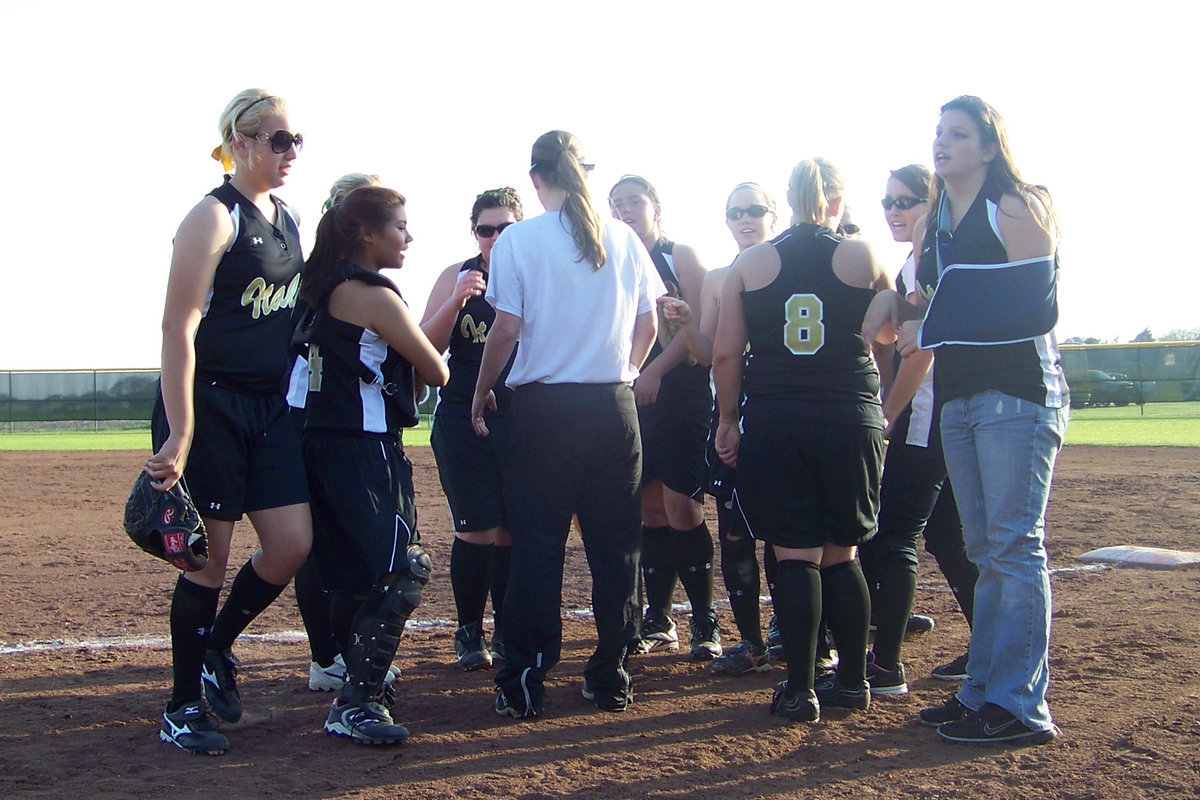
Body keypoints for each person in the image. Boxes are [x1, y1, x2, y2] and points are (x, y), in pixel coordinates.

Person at [866, 96, 1067, 745]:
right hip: (958, 397)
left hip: (1017, 393)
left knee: (1013, 546)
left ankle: (1020, 706)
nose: (942, 142)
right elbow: (921, 307)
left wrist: (931, 323)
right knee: (983, 548)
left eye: (957, 133)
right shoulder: (934, 223)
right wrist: (891, 304)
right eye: (938, 132)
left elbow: (1037, 306)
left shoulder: (1016, 205)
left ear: (988, 146)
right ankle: (981, 691)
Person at [470, 130, 663, 718]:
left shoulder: (519, 240)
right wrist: (625, 372)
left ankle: (525, 679)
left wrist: (480, 393)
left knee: (537, 546)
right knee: (616, 547)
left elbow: (506, 329)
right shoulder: (623, 236)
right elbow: (649, 326)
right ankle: (611, 674)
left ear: (535, 178)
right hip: (613, 408)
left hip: (546, 412)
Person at [145, 89, 312, 755]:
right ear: (239, 144)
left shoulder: (288, 217)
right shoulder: (213, 217)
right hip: (209, 404)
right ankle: (182, 705)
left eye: (296, 140)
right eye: (278, 139)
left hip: (267, 407)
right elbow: (177, 328)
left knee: (291, 544)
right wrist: (180, 430)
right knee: (205, 564)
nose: (291, 151)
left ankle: (216, 646)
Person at [713, 158, 892, 723]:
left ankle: (800, 688)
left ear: (786, 203)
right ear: (836, 201)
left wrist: (727, 419)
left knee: (795, 555)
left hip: (777, 418)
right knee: (843, 554)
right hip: (850, 415)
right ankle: (854, 682)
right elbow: (893, 333)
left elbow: (725, 354)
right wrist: (883, 405)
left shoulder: (752, 262)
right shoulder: (864, 255)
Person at [295, 185, 449, 745]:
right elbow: (436, 371)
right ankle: (357, 700)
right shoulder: (372, 296)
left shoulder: (318, 284)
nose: (408, 237)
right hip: (365, 447)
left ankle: (355, 684)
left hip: (319, 443)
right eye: (399, 226)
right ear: (366, 233)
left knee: (353, 577)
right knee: (403, 569)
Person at [861, 164, 978, 697]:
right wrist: (891, 300)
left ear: (933, 204)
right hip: (942, 412)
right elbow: (895, 333)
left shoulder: (933, 256)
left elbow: (922, 351)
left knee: (895, 533)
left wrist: (888, 413)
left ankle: (886, 665)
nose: (893, 211)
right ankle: (989, 644)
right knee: (948, 535)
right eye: (888, 202)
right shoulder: (916, 262)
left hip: (928, 414)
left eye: (905, 201)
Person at [659, 182, 780, 675]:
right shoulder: (717, 278)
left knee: (787, 533)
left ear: (773, 215)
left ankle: (793, 630)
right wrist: (688, 322)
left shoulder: (787, 270)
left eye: (755, 210)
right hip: (731, 416)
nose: (745, 219)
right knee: (735, 533)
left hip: (777, 418)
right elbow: (708, 354)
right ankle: (750, 640)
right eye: (735, 213)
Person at [609, 174, 719, 660]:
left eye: (635, 201)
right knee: (649, 510)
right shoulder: (614, 257)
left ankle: (705, 620)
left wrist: (652, 371)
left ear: (656, 208)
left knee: (683, 507)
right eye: (617, 204)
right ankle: (659, 617)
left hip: (681, 394)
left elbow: (701, 330)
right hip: (634, 396)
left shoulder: (680, 256)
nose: (626, 210)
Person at [288, 173, 390, 693]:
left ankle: (336, 656)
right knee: (331, 545)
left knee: (331, 545)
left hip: (318, 419)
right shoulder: (331, 280)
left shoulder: (323, 276)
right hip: (325, 420)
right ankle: (331, 656)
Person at [421, 187, 525, 671]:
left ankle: (505, 629)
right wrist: (456, 300)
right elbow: (425, 349)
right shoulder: (457, 275)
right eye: (486, 229)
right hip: (462, 418)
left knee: (510, 531)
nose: (496, 238)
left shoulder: (535, 275)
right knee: (477, 530)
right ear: (474, 233)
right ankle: (469, 631)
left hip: (522, 421)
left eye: (506, 228)